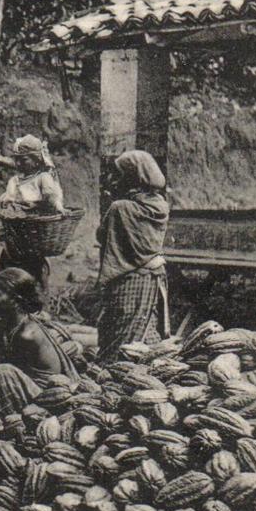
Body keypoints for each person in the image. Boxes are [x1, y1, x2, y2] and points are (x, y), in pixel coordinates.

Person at [0, 268, 80, 416]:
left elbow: (7, 373)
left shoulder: (28, 335)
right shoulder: (0, 325)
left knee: (3, 372)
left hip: (43, 395)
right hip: (21, 381)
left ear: (16, 299)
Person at [96, 150, 170, 363]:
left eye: (119, 175)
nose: (114, 180)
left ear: (132, 177)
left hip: (129, 280)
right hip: (153, 277)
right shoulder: (160, 205)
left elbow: (102, 235)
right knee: (144, 324)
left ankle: (114, 372)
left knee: (120, 331)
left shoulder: (120, 207)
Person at [0, 134, 66, 291]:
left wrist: (42, 205)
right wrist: (11, 204)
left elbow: (51, 198)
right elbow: (8, 199)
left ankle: (36, 303)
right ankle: (1, 296)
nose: (19, 163)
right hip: (16, 231)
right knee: (7, 264)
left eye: (24, 159)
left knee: (34, 268)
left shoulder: (43, 178)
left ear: (36, 160)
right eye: (17, 159)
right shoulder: (15, 180)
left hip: (34, 232)